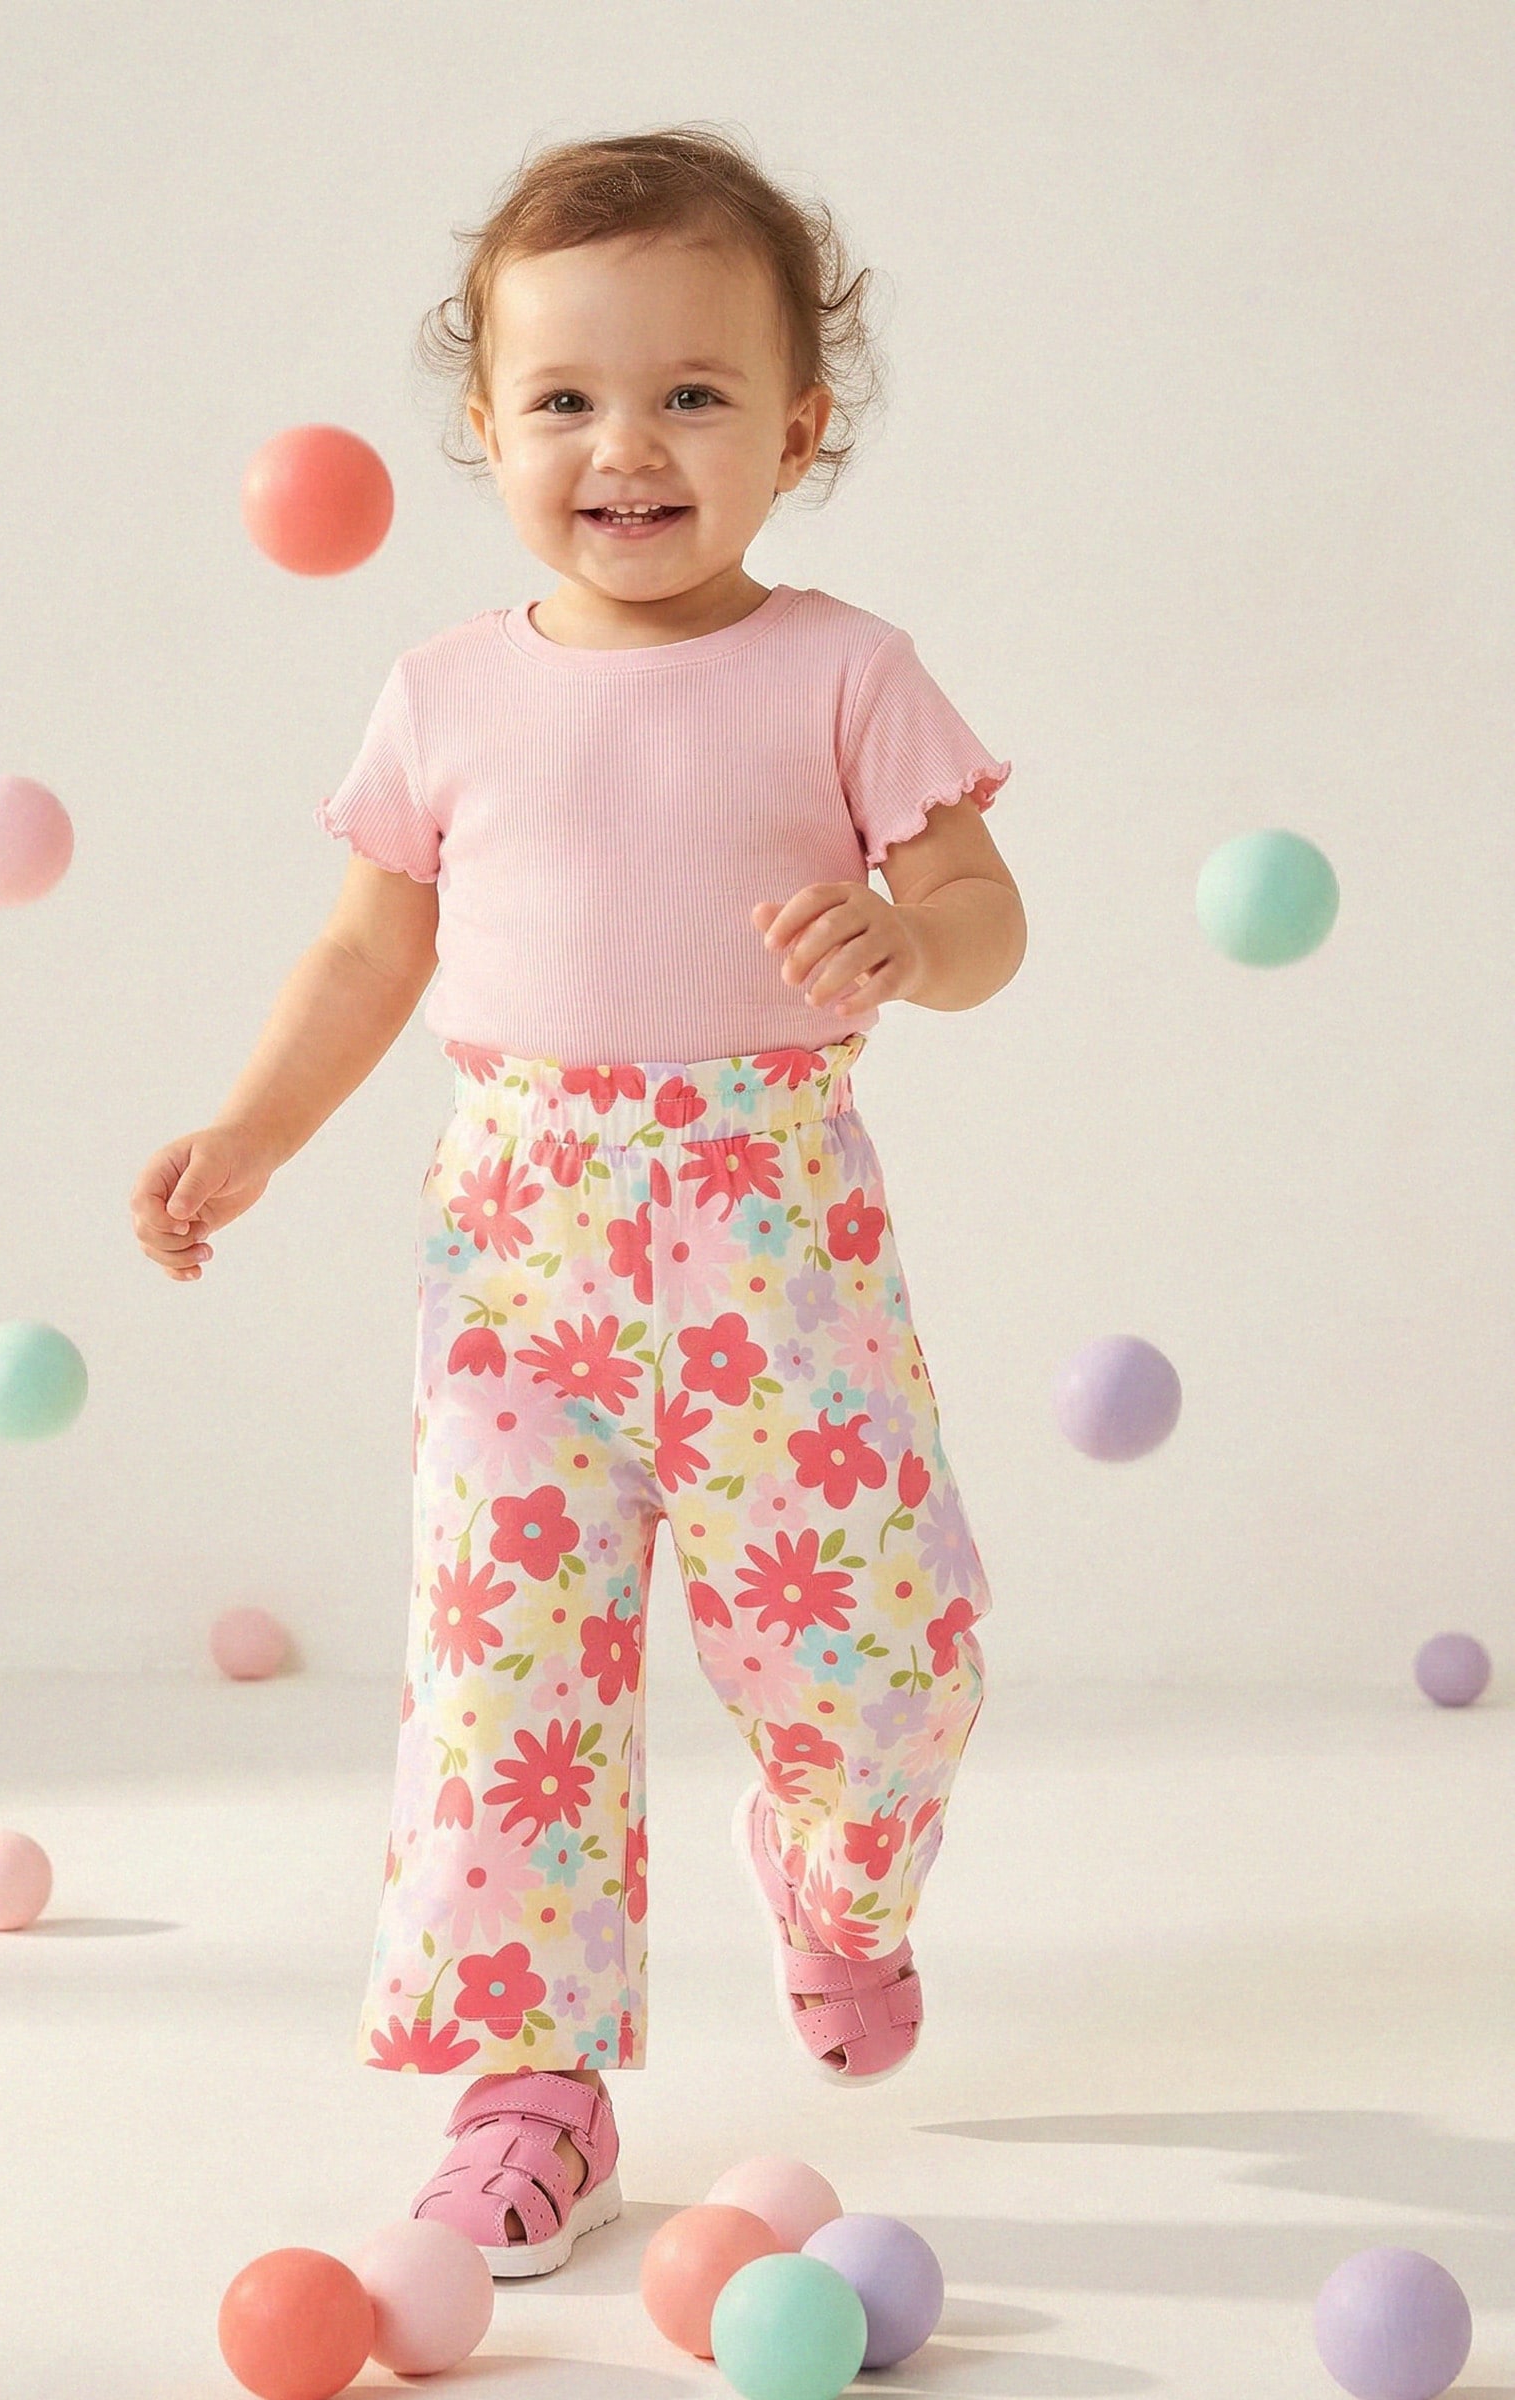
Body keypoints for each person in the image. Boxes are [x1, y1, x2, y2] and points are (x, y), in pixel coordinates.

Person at [130, 124, 1025, 2282]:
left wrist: (911, 941)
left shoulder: (842, 670)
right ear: (486, 424)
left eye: (691, 394)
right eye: (565, 398)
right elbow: (369, 953)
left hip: (774, 1255)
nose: (625, 446)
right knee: (499, 1679)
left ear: (793, 431)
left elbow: (985, 911)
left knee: (881, 1657)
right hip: (519, 1265)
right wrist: (251, 1130)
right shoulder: (447, 694)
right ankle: (525, 2084)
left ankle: (838, 1874)